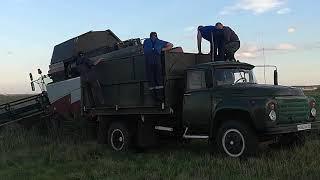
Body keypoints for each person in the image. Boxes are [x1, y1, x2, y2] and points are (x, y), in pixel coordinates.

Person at [143, 32, 173, 101]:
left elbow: (143, 49)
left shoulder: (146, 41)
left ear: (150, 36)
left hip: (149, 63)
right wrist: (162, 50)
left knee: (152, 80)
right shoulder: (160, 42)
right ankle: (160, 98)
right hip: (156, 62)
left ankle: (154, 98)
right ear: (156, 36)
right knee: (158, 79)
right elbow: (171, 45)